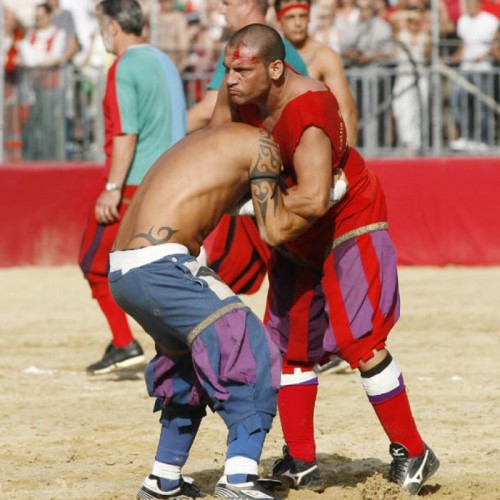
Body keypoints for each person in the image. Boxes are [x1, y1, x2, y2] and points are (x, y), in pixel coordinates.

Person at [210, 23, 440, 495]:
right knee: (288, 342)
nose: (230, 79)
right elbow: (216, 152)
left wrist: (252, 205)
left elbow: (316, 200)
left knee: (360, 338)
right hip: (292, 224)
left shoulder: (309, 110)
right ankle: (300, 459)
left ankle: (414, 452)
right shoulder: (237, 95)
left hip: (344, 217)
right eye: (228, 69)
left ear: (276, 69)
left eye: (241, 69)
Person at [108, 122, 307, 499]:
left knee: (184, 366)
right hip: (162, 266)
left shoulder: (206, 135)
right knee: (250, 346)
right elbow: (276, 230)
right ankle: (240, 478)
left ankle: (163, 479)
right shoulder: (262, 142)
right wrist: (325, 196)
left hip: (123, 270)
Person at [78, 0, 187, 375]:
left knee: (94, 264)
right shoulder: (163, 61)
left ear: (112, 28)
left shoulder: (123, 66)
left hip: (135, 184)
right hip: (172, 180)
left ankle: (125, 343)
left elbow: (126, 133)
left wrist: (112, 186)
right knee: (163, 269)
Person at [186, 0, 308, 133]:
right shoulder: (277, 45)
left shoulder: (242, 49)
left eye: (227, 4)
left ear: (248, 5)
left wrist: (167, 136)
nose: (221, 10)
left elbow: (208, 109)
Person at [275, 0, 358, 156]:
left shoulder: (325, 56)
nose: (298, 23)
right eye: (291, 17)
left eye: (303, 16)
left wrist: (345, 159)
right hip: (281, 147)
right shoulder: (272, 56)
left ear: (309, 18)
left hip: (317, 147)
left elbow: (347, 110)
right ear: (278, 20)